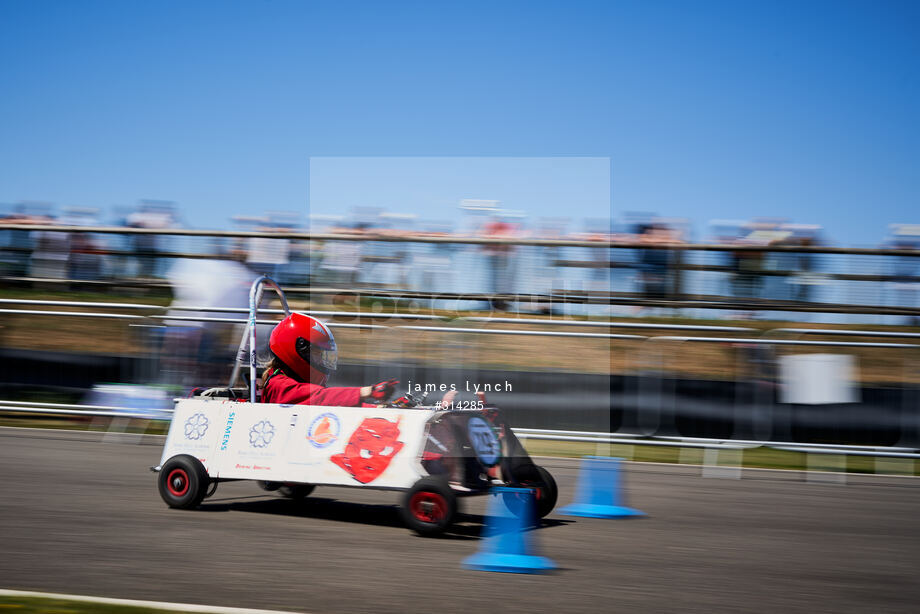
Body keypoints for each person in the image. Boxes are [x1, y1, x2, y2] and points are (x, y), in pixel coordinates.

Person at [260, 312, 397, 406]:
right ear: (297, 351)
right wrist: (366, 392)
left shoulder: (299, 383)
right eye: (317, 354)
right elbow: (321, 398)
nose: (321, 360)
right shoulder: (278, 385)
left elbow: (335, 402)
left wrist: (384, 409)